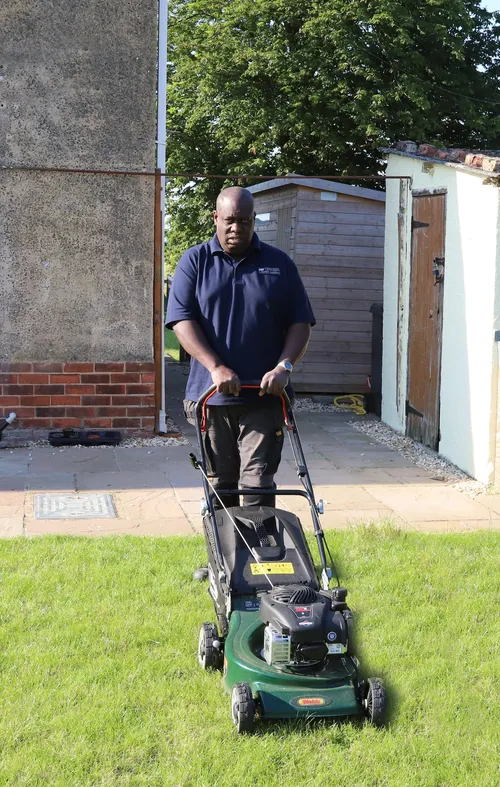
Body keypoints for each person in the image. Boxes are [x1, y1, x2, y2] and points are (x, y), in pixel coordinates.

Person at [165, 186, 315, 509]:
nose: (237, 229)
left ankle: (260, 557)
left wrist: (283, 366)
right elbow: (180, 321)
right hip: (211, 397)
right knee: (221, 485)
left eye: (245, 221)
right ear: (215, 218)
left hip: (264, 398)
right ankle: (227, 560)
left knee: (258, 485)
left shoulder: (279, 265)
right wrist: (214, 366)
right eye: (230, 221)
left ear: (253, 220)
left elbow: (301, 323)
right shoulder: (195, 262)